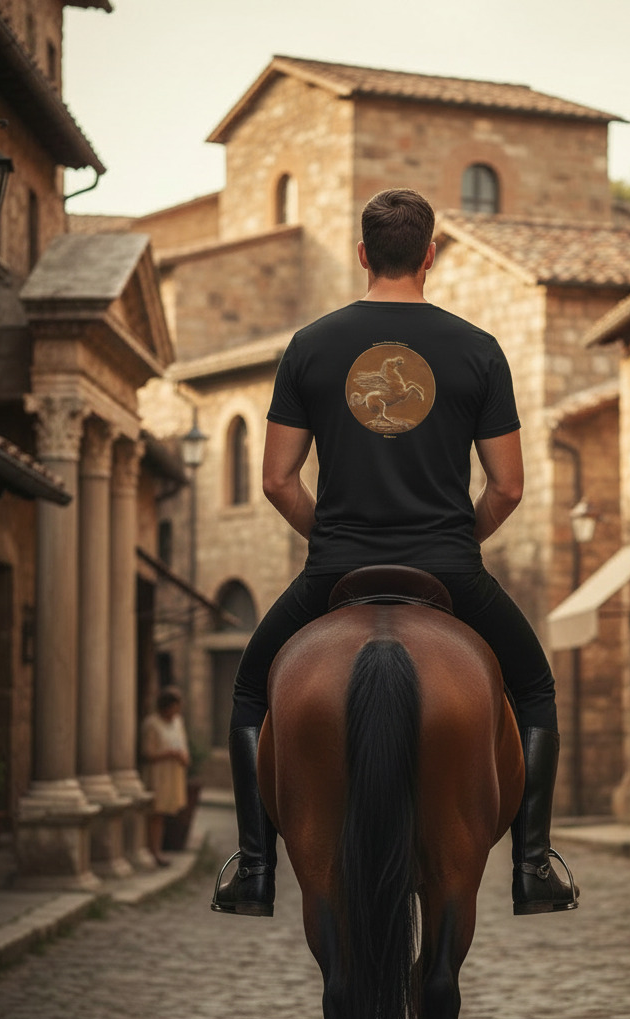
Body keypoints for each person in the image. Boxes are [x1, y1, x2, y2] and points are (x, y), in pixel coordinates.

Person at [213, 187, 578, 919]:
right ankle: (533, 864)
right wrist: (450, 542)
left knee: (253, 692)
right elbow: (506, 488)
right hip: (449, 569)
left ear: (361, 256)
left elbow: (277, 479)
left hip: (333, 571)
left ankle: (254, 869)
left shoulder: (311, 345)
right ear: (430, 257)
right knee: (534, 691)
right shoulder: (478, 350)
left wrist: (333, 537)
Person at [141, 687, 190, 868]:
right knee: (156, 813)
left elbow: (183, 744)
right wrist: (170, 754)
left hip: (173, 775)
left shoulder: (177, 722)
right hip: (158, 775)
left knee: (164, 813)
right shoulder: (152, 724)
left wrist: (184, 757)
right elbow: (147, 753)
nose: (176, 711)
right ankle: (154, 851)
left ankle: (158, 849)